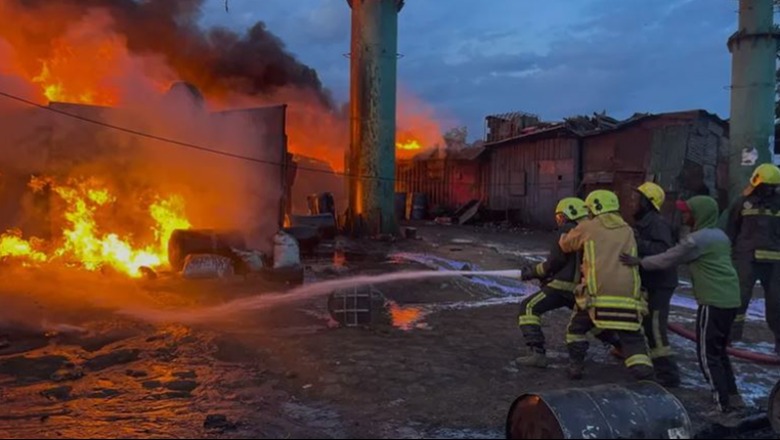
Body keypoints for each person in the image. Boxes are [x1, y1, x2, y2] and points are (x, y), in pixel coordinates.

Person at [621, 196, 745, 416]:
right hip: (731, 298)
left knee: (707, 354)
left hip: (713, 301)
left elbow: (669, 258)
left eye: (688, 212)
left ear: (699, 215)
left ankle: (722, 405)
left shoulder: (696, 240)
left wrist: (639, 261)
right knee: (720, 352)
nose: (684, 216)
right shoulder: (720, 236)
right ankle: (734, 397)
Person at [558, 189, 653, 380]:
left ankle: (576, 366)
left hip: (596, 296)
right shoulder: (627, 229)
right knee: (632, 337)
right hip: (629, 299)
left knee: (575, 330)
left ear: (593, 208)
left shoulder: (588, 226)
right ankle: (643, 370)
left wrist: (565, 231)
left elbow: (566, 245)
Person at [516, 197, 619, 368]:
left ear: (567, 214)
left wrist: (533, 272)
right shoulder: (595, 231)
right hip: (584, 289)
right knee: (592, 322)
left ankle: (537, 353)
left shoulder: (568, 231)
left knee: (528, 307)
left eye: (559, 216)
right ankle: (621, 346)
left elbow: (554, 262)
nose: (559, 221)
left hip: (562, 286)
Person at [725, 163, 780, 352]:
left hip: (774, 263)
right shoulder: (742, 202)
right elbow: (732, 229)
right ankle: (730, 337)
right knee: (738, 298)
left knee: (776, 303)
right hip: (746, 259)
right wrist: (729, 254)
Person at [633, 182, 680, 387]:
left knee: (655, 328)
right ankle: (656, 366)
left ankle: (668, 374)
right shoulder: (645, 221)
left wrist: (636, 243)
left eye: (638, 199)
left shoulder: (657, 223)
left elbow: (664, 250)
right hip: (651, 282)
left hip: (660, 283)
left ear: (648, 202)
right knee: (648, 325)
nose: (634, 202)